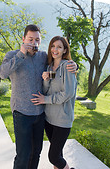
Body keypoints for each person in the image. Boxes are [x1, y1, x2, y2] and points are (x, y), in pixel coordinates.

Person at [0, 25, 77, 169]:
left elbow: (56, 69)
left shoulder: (42, 57)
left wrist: (73, 65)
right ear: (23, 39)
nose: (34, 43)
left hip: (41, 114)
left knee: (36, 153)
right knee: (23, 154)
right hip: (22, 113)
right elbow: (3, 74)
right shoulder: (12, 55)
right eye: (30, 39)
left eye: (37, 40)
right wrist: (21, 53)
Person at [31, 36, 77, 169]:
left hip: (62, 119)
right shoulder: (50, 66)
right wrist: (46, 78)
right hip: (49, 119)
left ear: (64, 50)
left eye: (59, 47)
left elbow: (68, 93)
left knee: (53, 157)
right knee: (58, 154)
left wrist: (45, 100)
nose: (55, 49)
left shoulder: (68, 66)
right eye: (53, 46)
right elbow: (47, 89)